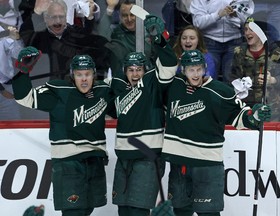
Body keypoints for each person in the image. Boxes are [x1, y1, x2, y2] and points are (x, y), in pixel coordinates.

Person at [160, 49, 271, 216]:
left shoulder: (221, 91)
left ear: (205, 68)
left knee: (209, 213)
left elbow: (240, 116)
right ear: (183, 70)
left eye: (199, 69)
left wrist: (255, 116)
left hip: (208, 165)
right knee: (180, 211)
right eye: (191, 69)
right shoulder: (173, 87)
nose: (196, 74)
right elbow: (162, 69)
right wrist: (160, 41)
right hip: (179, 163)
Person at [12, 46, 116, 216]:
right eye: (79, 74)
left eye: (87, 74)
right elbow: (25, 98)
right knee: (73, 212)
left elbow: (123, 106)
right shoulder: (59, 91)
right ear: (72, 75)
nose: (84, 79)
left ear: (94, 74)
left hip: (95, 160)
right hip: (68, 163)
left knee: (87, 210)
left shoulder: (102, 91)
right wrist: (23, 72)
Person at [109, 15, 177, 216]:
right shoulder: (118, 88)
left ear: (145, 69)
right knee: (124, 209)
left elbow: (169, 66)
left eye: (139, 69)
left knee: (139, 210)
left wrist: (159, 40)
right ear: (125, 71)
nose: (135, 74)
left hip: (148, 156)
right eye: (131, 70)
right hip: (124, 156)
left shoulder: (152, 83)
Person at [18, 0, 109, 80]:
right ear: (45, 18)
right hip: (47, 85)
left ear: (66, 18)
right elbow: (26, 35)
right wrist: (36, 12)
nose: (57, 21)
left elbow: (86, 35)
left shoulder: (72, 30)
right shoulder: (40, 37)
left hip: (72, 84)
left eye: (61, 17)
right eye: (53, 17)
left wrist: (89, 17)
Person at [230, 17, 280, 121]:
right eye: (245, 29)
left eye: (251, 29)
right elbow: (231, 78)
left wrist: (273, 80)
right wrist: (238, 85)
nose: (247, 33)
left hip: (270, 109)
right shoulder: (239, 52)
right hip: (245, 109)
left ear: (261, 32)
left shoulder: (275, 53)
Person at [190, 0, 254, 83]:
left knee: (233, 81)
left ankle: (230, 96)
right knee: (208, 80)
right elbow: (197, 23)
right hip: (209, 42)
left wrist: (236, 15)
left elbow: (249, 21)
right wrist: (217, 15)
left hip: (234, 42)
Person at [0, 0, 23, 120]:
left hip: (7, 89)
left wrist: (17, 39)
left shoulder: (15, 19)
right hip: (4, 91)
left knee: (14, 130)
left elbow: (19, 55)